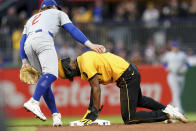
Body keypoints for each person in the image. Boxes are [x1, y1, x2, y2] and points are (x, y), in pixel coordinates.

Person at [20, 0, 105, 127]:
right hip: (43, 40)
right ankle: (34, 101)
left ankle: (56, 116)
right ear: (53, 6)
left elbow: (22, 41)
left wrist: (24, 61)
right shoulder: (57, 13)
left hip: (29, 45)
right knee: (52, 74)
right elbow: (72, 30)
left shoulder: (31, 18)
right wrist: (90, 44)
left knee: (43, 81)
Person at [58, 51, 188, 125]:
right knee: (139, 101)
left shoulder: (84, 63)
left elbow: (96, 88)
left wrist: (94, 112)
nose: (73, 76)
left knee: (129, 117)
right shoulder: (83, 59)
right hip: (129, 71)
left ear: (69, 70)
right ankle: (167, 109)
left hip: (127, 75)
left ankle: (167, 114)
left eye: (70, 75)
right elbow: (95, 86)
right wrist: (91, 111)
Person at [162, 41, 189, 113]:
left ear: (178, 47)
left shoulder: (182, 54)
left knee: (178, 94)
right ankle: (180, 110)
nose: (175, 48)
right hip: (172, 75)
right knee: (176, 92)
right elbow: (164, 63)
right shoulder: (168, 54)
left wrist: (185, 68)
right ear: (172, 47)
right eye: (174, 46)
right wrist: (166, 68)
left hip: (181, 76)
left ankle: (168, 109)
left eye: (176, 46)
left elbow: (187, 64)